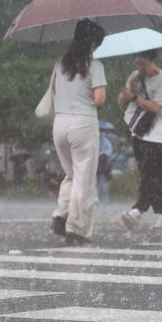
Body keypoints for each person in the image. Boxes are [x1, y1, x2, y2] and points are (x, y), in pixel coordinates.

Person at [50, 19, 107, 245]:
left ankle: (60, 214)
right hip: (83, 124)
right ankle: (77, 229)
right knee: (84, 179)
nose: (97, 48)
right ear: (92, 41)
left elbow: (56, 92)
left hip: (60, 124)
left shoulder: (60, 63)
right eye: (97, 44)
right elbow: (99, 99)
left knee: (72, 175)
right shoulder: (95, 66)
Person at [119, 49, 162, 231]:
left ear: (153, 61)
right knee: (150, 175)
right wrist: (130, 91)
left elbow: (156, 107)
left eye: (143, 63)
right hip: (139, 132)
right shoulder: (135, 76)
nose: (140, 68)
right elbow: (121, 101)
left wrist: (135, 97)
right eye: (137, 63)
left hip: (159, 135)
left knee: (150, 174)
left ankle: (138, 210)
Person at [96, 131, 113, 204]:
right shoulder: (93, 140)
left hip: (103, 166)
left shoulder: (106, 141)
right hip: (95, 165)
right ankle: (95, 199)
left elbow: (110, 151)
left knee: (104, 183)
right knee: (95, 184)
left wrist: (103, 152)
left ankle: (105, 200)